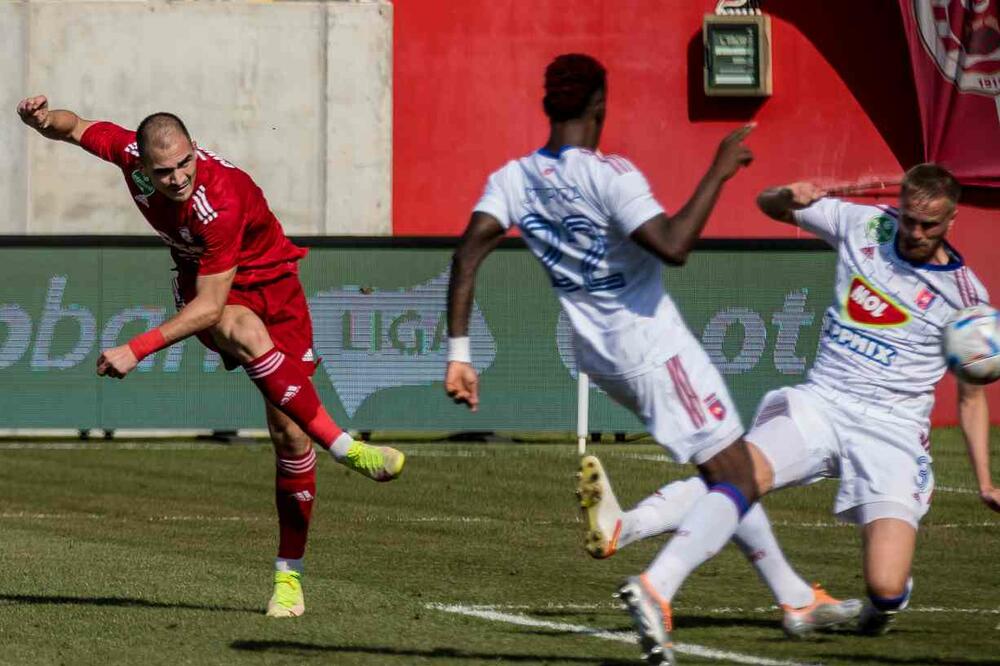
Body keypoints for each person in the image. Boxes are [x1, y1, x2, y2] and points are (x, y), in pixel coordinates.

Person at [442, 54, 858, 664]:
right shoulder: (611, 175)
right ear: (600, 105)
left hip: (601, 358)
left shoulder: (513, 177)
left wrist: (459, 353)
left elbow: (468, 251)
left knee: (727, 474)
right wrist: (719, 172)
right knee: (740, 479)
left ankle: (795, 598)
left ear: (547, 105)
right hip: (654, 349)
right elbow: (673, 246)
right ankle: (656, 587)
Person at [16, 95, 405, 620]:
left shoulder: (219, 200)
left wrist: (137, 347)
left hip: (275, 289)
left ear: (195, 150)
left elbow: (208, 308)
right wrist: (43, 120)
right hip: (214, 289)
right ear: (143, 163)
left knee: (289, 435)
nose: (177, 178)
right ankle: (343, 446)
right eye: (165, 170)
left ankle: (289, 578)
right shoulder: (130, 157)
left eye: (185, 164)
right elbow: (76, 127)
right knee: (242, 329)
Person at [602, 162, 1000, 663]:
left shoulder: (967, 303)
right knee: (742, 472)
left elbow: (970, 396)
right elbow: (768, 205)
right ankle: (643, 556)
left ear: (952, 221)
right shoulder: (864, 224)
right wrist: (785, 194)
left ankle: (878, 607)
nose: (915, 233)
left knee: (885, 585)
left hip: (892, 431)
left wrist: (985, 481)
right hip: (823, 401)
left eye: (929, 225)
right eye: (908, 219)